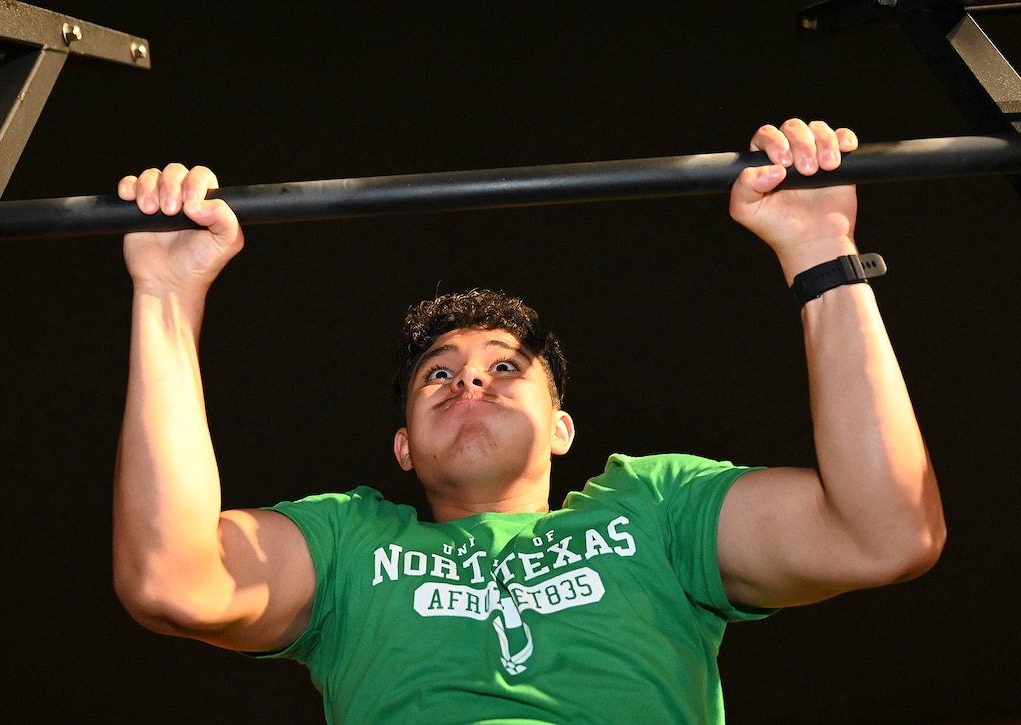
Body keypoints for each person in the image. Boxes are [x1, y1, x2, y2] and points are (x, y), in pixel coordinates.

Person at [112, 120, 946, 723]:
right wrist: (166, 296)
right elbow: (170, 579)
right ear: (403, 446)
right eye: (438, 374)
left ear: (562, 427)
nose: (470, 375)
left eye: (506, 367)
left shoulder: (654, 509)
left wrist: (821, 252)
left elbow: (888, 532)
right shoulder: (348, 546)